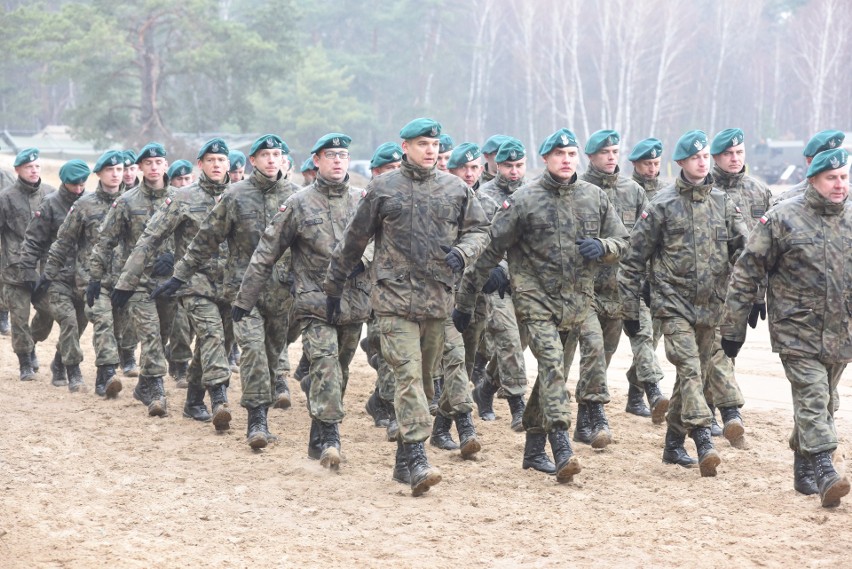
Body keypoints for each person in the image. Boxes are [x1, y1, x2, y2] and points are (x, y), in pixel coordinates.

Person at [323, 118, 490, 495]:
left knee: (427, 383)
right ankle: (417, 458)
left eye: (434, 144)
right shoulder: (383, 189)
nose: (430, 150)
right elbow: (353, 241)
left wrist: (463, 253)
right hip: (393, 303)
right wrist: (333, 288)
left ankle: (402, 461)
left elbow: (481, 230)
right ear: (405, 147)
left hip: (437, 302)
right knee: (409, 378)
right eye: (421, 143)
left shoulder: (456, 189)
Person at [455, 128, 629, 482]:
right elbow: (491, 250)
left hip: (580, 301)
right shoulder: (525, 199)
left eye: (571, 154)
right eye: (559, 155)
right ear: (546, 160)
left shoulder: (594, 197)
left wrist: (604, 247)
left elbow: (623, 239)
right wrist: (466, 298)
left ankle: (534, 449)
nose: (566, 160)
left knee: (589, 357)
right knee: (551, 367)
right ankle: (561, 445)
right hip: (536, 300)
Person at [721, 147, 851, 508]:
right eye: (831, 178)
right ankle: (826, 470)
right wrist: (733, 328)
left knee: (823, 401)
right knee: (812, 398)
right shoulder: (782, 218)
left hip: (841, 332)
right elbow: (747, 271)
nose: (839, 185)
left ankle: (802, 466)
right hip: (797, 329)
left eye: (844, 177)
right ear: (813, 179)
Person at [235, 133, 370, 470]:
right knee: (324, 365)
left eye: (343, 154)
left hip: (355, 302)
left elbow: (383, 242)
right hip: (315, 302)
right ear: (316, 161)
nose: (338, 160)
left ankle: (317, 432)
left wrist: (364, 260)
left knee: (338, 369)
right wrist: (244, 299)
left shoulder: (364, 200)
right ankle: (330, 437)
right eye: (330, 155)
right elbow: (266, 254)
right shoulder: (298, 203)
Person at [619, 130, 748, 477]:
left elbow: (747, 255)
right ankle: (703, 439)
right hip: (672, 305)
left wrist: (750, 298)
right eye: (695, 158)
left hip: (713, 308)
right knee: (689, 370)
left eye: (705, 156)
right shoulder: (661, 205)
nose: (702, 162)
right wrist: (631, 309)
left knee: (695, 376)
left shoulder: (724, 203)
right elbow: (633, 260)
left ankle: (673, 445)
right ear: (681, 163)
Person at [172, 134, 299, 448]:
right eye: (265, 154)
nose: (272, 159)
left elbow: (314, 245)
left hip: (282, 293)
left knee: (271, 357)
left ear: (284, 160)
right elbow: (205, 240)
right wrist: (179, 276)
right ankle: (256, 422)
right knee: (252, 351)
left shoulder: (298, 197)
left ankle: (196, 397)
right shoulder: (235, 196)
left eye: (277, 154)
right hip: (243, 293)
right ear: (252, 161)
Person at [117, 138, 235, 433]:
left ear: (229, 165)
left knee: (218, 341)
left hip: (232, 285)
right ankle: (219, 398)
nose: (216, 165)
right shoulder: (184, 198)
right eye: (210, 160)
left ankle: (193, 400)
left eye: (221, 160)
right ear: (200, 165)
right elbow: (150, 237)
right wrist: (126, 282)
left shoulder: (240, 196)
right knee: (211, 335)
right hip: (193, 281)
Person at [573, 130, 668, 447]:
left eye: (615, 151)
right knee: (595, 357)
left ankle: (653, 391)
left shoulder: (633, 191)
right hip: (587, 291)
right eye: (605, 152)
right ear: (591, 157)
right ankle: (591, 418)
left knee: (641, 337)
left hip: (625, 287)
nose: (611, 157)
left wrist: (650, 279)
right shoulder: (578, 191)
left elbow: (646, 239)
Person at [91, 142, 177, 418]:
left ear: (166, 165)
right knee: (150, 335)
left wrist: (174, 257)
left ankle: (143, 385)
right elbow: (105, 241)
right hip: (137, 282)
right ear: (139, 167)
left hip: (170, 281)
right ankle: (156, 391)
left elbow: (197, 239)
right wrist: (95, 277)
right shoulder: (127, 202)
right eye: (148, 163)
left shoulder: (182, 198)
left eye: (158, 162)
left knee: (163, 335)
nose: (153, 168)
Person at [705, 127, 770, 444]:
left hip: (742, 293)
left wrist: (760, 294)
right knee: (715, 350)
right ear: (715, 157)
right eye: (728, 153)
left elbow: (767, 249)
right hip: (710, 289)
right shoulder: (704, 190)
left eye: (739, 152)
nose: (734, 158)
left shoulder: (759, 191)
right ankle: (730, 412)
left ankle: (704, 410)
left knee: (723, 354)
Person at [46, 150, 126, 397]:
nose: (115, 174)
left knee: (120, 329)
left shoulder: (131, 201)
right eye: (110, 170)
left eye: (119, 169)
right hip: (91, 279)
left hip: (125, 279)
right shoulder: (84, 205)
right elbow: (63, 241)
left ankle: (60, 360)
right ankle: (106, 375)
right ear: (99, 174)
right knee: (102, 321)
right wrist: (47, 275)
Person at [469, 139, 530, 431]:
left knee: (521, 341)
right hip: (497, 281)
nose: (514, 171)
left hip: (531, 282)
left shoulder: (534, 194)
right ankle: (518, 405)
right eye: (508, 165)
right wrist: (490, 267)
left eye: (519, 165)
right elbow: (476, 237)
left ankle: (485, 390)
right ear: (497, 166)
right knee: (506, 336)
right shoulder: (484, 197)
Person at [14, 159, 90, 391]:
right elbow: (33, 241)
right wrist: (28, 271)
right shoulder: (49, 205)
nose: (78, 189)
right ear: (64, 183)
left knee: (80, 322)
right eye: (73, 185)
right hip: (56, 276)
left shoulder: (91, 203)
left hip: (85, 277)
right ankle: (73, 372)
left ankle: (58, 361)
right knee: (67, 322)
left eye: (82, 184)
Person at [0, 148, 56, 380]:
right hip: (15, 270)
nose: (34, 171)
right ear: (18, 171)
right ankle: (24, 362)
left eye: (36, 167)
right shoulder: (5, 198)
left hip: (43, 270)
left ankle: (31, 343)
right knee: (19, 319)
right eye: (28, 167)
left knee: (48, 313)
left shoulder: (51, 194)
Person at [623, 138, 669, 420]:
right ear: (635, 165)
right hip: (630, 281)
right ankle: (653, 391)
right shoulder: (626, 192)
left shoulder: (667, 193)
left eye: (655, 163)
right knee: (643, 336)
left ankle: (633, 394)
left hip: (660, 282)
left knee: (650, 342)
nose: (652, 168)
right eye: (646, 163)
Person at [771, 130, 844, 206]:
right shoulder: (786, 201)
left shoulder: (849, 195)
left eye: (837, 157)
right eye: (824, 159)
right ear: (809, 161)